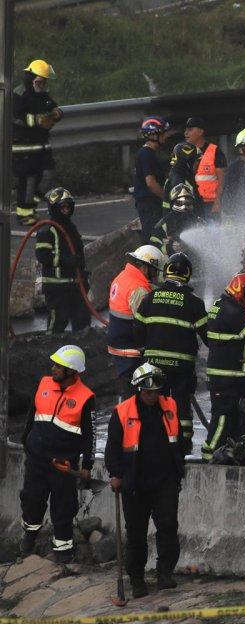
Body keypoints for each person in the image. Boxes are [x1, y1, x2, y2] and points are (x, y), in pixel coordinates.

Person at [104, 363, 186, 597]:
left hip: (165, 480)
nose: (153, 396)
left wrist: (179, 467)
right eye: (148, 392)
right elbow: (113, 449)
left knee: (168, 527)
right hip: (135, 484)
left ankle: (165, 574)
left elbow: (178, 440)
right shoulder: (122, 412)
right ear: (139, 390)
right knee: (137, 534)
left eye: (156, 392)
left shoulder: (169, 406)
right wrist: (116, 474)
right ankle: (137, 579)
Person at [19, 345, 95, 563]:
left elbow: (90, 435)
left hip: (63, 465)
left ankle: (63, 550)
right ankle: (29, 536)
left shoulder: (86, 397)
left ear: (71, 371)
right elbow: (31, 415)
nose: (52, 369)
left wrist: (87, 465)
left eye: (58, 366)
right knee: (32, 500)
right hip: (36, 459)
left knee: (63, 507)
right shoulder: (43, 383)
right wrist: (26, 440)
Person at [134, 253, 208, 453]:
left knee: (155, 403)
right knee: (181, 406)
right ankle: (182, 446)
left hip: (154, 365)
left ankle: (154, 442)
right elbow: (209, 336)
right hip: (181, 367)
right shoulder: (194, 303)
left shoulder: (149, 298)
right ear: (187, 275)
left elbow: (137, 332)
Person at [203, 273, 245, 464]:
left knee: (241, 415)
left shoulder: (221, 305)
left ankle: (241, 452)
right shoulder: (232, 310)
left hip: (234, 376)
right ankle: (211, 453)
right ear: (241, 290)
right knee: (223, 417)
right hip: (228, 377)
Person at [108, 245, 165, 396]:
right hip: (131, 349)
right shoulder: (138, 289)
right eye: (154, 270)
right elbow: (148, 322)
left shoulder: (123, 276)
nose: (154, 275)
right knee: (135, 390)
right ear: (146, 267)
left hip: (118, 343)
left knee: (127, 387)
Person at [12, 59, 62, 225]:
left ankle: (31, 205)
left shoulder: (42, 94)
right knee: (28, 179)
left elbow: (53, 106)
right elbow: (14, 117)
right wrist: (37, 120)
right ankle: (24, 214)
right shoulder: (19, 94)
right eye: (39, 80)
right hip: (23, 146)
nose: (42, 84)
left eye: (44, 81)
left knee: (47, 175)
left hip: (42, 145)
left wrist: (56, 113)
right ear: (31, 78)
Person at [36, 187, 89, 333]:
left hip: (75, 286)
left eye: (68, 206)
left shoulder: (71, 228)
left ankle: (82, 350)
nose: (66, 210)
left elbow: (79, 255)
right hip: (57, 288)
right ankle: (50, 351)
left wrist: (83, 274)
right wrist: (66, 261)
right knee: (57, 323)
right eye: (62, 206)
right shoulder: (47, 230)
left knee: (83, 322)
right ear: (54, 208)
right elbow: (42, 256)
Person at [133, 116, 169, 240]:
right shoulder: (146, 154)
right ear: (154, 135)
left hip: (150, 203)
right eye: (163, 133)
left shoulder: (149, 153)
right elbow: (151, 183)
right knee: (152, 236)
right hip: (149, 204)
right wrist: (167, 199)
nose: (166, 136)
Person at [184, 118, 227, 221]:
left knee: (212, 233)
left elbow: (222, 180)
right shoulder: (182, 153)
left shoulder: (215, 152)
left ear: (200, 132)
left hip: (210, 205)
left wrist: (217, 202)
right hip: (190, 204)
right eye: (185, 130)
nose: (185, 133)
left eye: (190, 129)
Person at [149, 184, 206, 256]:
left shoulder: (199, 222)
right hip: (170, 262)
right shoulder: (164, 223)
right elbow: (153, 245)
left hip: (194, 261)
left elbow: (207, 244)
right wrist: (170, 248)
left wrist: (190, 246)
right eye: (180, 203)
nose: (184, 206)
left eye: (188, 203)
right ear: (173, 203)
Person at [161, 141, 201, 212]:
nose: (198, 165)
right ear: (187, 162)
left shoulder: (176, 175)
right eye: (195, 161)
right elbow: (184, 214)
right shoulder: (180, 183)